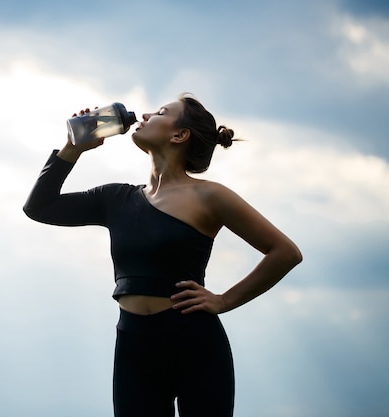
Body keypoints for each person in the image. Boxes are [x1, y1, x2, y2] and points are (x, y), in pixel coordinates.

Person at [23, 93, 302, 417]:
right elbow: (39, 207)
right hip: (133, 346)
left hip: (194, 344)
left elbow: (285, 252)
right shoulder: (115, 198)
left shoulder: (209, 196)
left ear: (179, 134)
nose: (144, 115)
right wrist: (73, 148)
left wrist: (224, 300)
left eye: (160, 112)